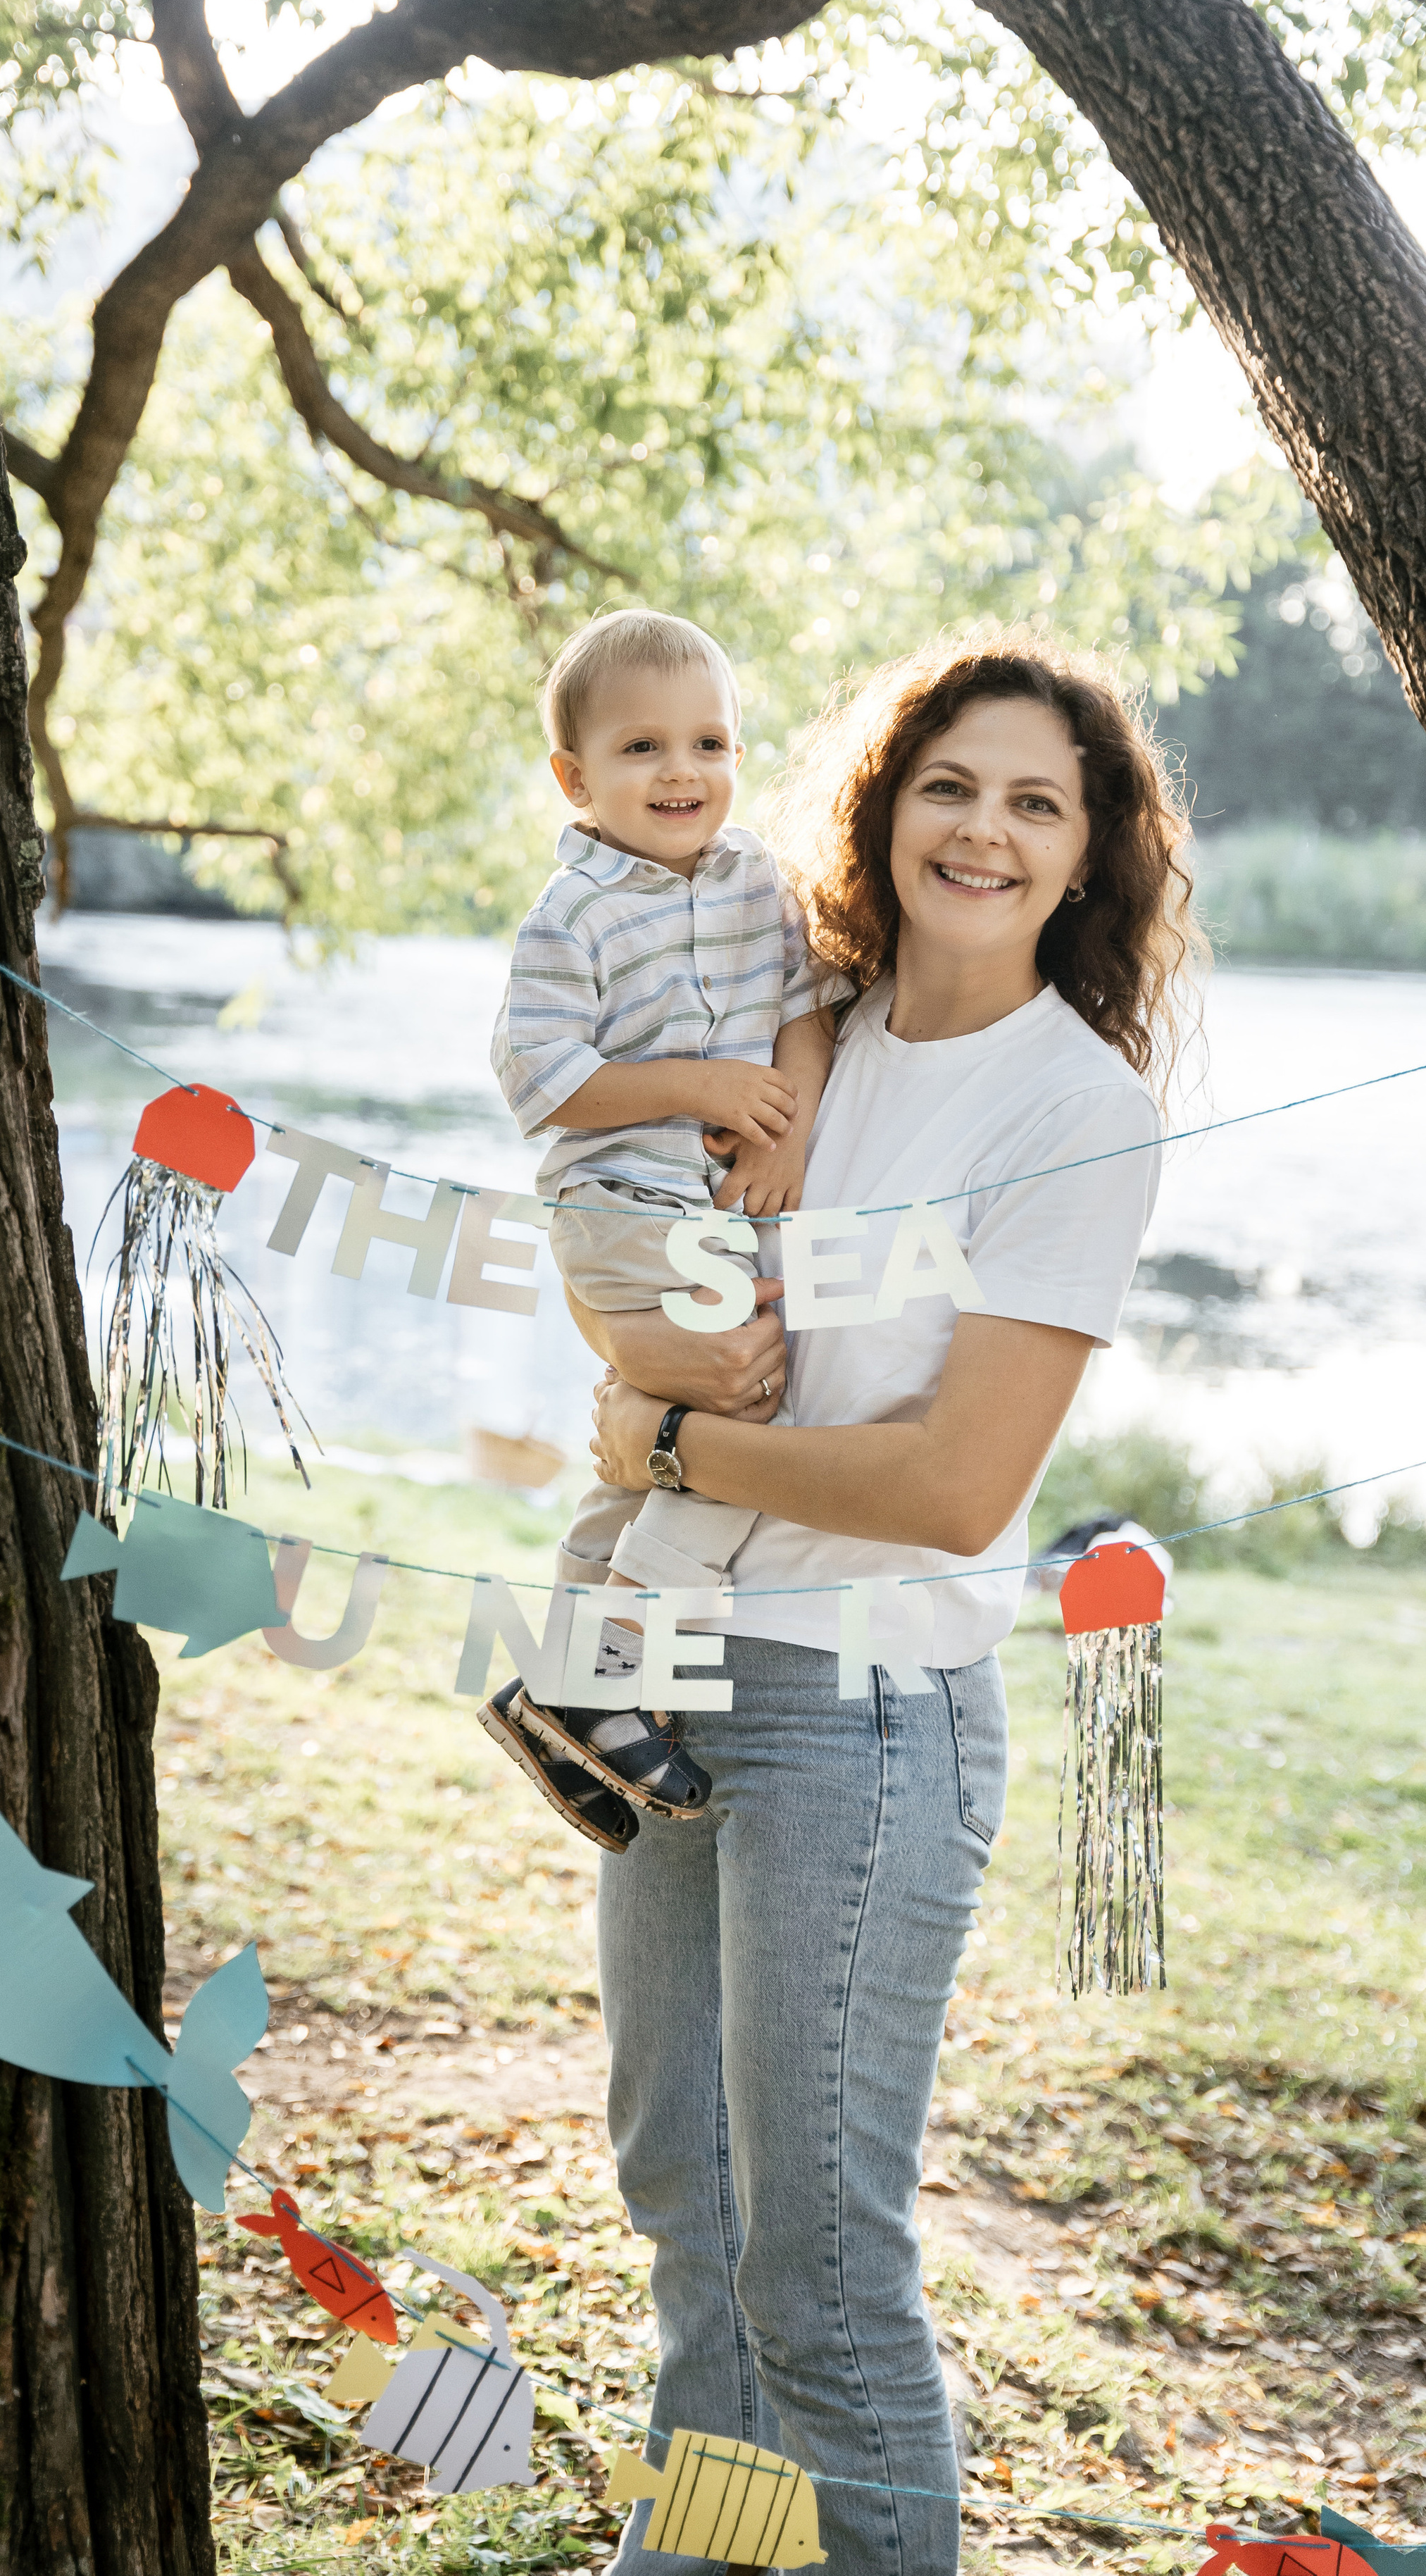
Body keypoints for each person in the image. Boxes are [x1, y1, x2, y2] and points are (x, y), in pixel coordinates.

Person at [571, 631, 1203, 2576]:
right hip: (680, 1665)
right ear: (884, 806)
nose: (987, 830)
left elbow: (951, 1485)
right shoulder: (804, 1036)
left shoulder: (1074, 1107)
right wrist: (639, 1392)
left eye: (1037, 801)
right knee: (686, 2195)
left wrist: (664, 1454)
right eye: (952, 785)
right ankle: (699, 2561)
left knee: (820, 2260)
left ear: (1090, 855)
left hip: (868, 1708)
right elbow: (631, 1262)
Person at [484, 609, 849, 1849]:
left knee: (647, 1454)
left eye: (711, 742)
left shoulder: (755, 877)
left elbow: (806, 1005)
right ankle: (613, 1661)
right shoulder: (571, 913)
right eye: (643, 748)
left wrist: (786, 1130)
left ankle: (564, 1687)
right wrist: (699, 1086)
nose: (683, 773)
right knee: (738, 1403)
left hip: (710, 1207)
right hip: (621, 1199)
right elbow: (545, 1082)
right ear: (576, 780)